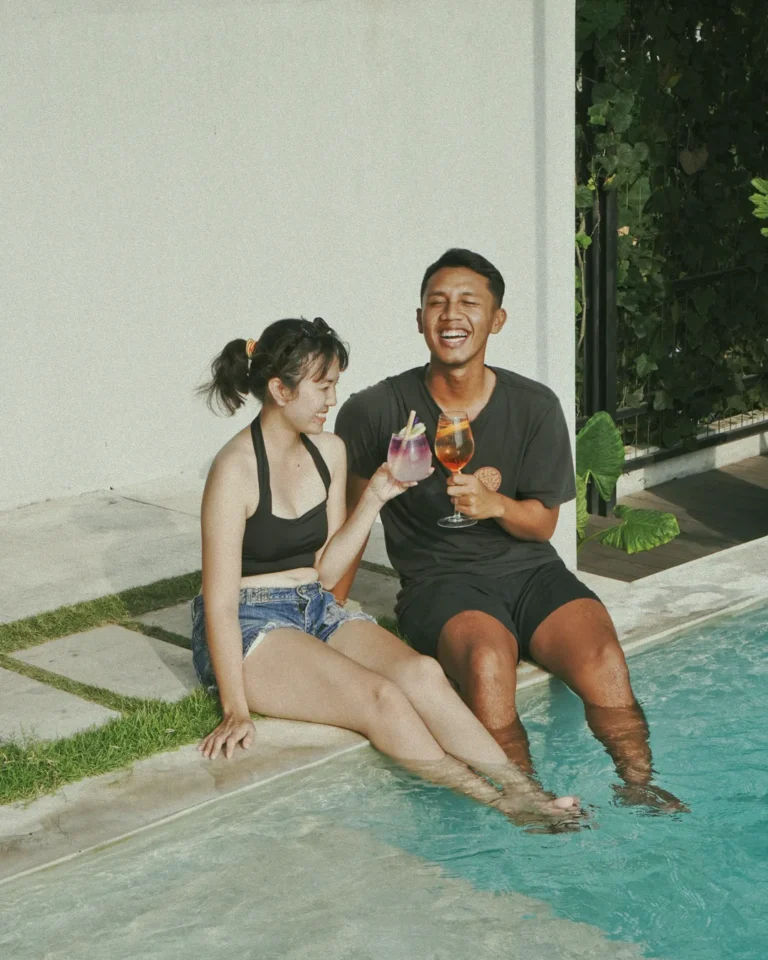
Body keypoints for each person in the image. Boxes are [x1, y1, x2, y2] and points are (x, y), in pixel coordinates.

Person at [191, 315, 583, 829]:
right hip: (250, 625)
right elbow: (218, 601)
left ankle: (526, 788)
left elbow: (327, 570)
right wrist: (235, 707)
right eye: (323, 386)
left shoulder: (329, 452)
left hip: (315, 606)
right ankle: (505, 806)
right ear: (279, 390)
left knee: (423, 674)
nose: (333, 400)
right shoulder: (234, 470)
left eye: (336, 385)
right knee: (383, 699)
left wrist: (376, 493)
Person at [333, 250, 687, 813]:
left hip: (530, 572)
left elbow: (542, 522)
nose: (452, 314)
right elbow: (352, 520)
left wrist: (495, 504)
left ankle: (639, 782)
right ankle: (529, 800)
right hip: (441, 583)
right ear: (420, 317)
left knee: (604, 659)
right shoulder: (378, 410)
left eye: (469, 302)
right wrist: (331, 609)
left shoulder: (534, 407)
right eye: (438, 302)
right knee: (488, 664)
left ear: (496, 319)